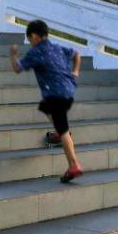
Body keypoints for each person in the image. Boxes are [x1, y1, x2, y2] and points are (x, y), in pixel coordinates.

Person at [10, 19, 83, 184]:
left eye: (29, 39)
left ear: (34, 36)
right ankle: (60, 131)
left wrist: (13, 55)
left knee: (63, 129)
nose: (30, 42)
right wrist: (76, 71)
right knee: (45, 106)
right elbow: (77, 54)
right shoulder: (57, 48)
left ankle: (74, 165)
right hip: (68, 91)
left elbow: (17, 68)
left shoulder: (36, 52)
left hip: (55, 95)